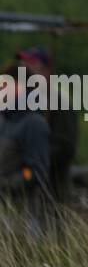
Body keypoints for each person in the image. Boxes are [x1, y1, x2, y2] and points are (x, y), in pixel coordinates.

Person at [16, 48, 77, 203]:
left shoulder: (60, 103)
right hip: (22, 193)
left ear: (46, 71)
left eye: (31, 65)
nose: (24, 69)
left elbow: (65, 147)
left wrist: (29, 158)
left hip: (51, 193)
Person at [0, 68, 52, 235]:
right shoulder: (5, 121)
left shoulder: (34, 124)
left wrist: (6, 184)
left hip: (22, 219)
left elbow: (35, 173)